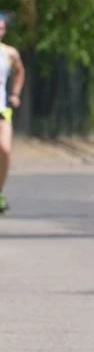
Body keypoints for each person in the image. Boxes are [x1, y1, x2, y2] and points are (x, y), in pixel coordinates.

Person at [0, 15, 24, 215]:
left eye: (1, 28)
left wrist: (15, 94)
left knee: (5, 150)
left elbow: (20, 71)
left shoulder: (9, 53)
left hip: (2, 109)